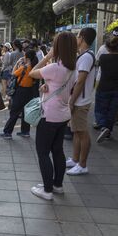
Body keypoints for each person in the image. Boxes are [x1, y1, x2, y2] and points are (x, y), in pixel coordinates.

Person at [28, 32, 77, 200]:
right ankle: (57, 185)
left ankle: (47, 190)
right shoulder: (73, 68)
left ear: (58, 48)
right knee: (57, 150)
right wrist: (46, 86)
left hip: (49, 116)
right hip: (63, 115)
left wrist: (48, 56)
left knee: (43, 152)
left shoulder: (55, 68)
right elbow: (59, 87)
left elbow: (32, 72)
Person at [66, 27, 96, 176]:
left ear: (82, 38)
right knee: (77, 131)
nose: (76, 39)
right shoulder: (84, 56)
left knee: (82, 132)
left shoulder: (86, 57)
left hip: (80, 101)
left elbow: (80, 82)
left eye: (77, 36)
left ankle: (83, 164)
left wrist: (71, 101)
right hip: (80, 100)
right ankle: (75, 159)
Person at [94, 37, 118, 142]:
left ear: (107, 47)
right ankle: (108, 132)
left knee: (100, 109)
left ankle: (104, 126)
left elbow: (96, 65)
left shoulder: (103, 58)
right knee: (112, 111)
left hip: (104, 87)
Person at [0, 50, 37, 139]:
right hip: (30, 91)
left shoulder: (25, 67)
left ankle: (7, 132)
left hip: (21, 91)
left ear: (27, 58)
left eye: (24, 56)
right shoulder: (35, 67)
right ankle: (25, 131)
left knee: (14, 112)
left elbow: (13, 73)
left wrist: (17, 63)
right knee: (26, 111)